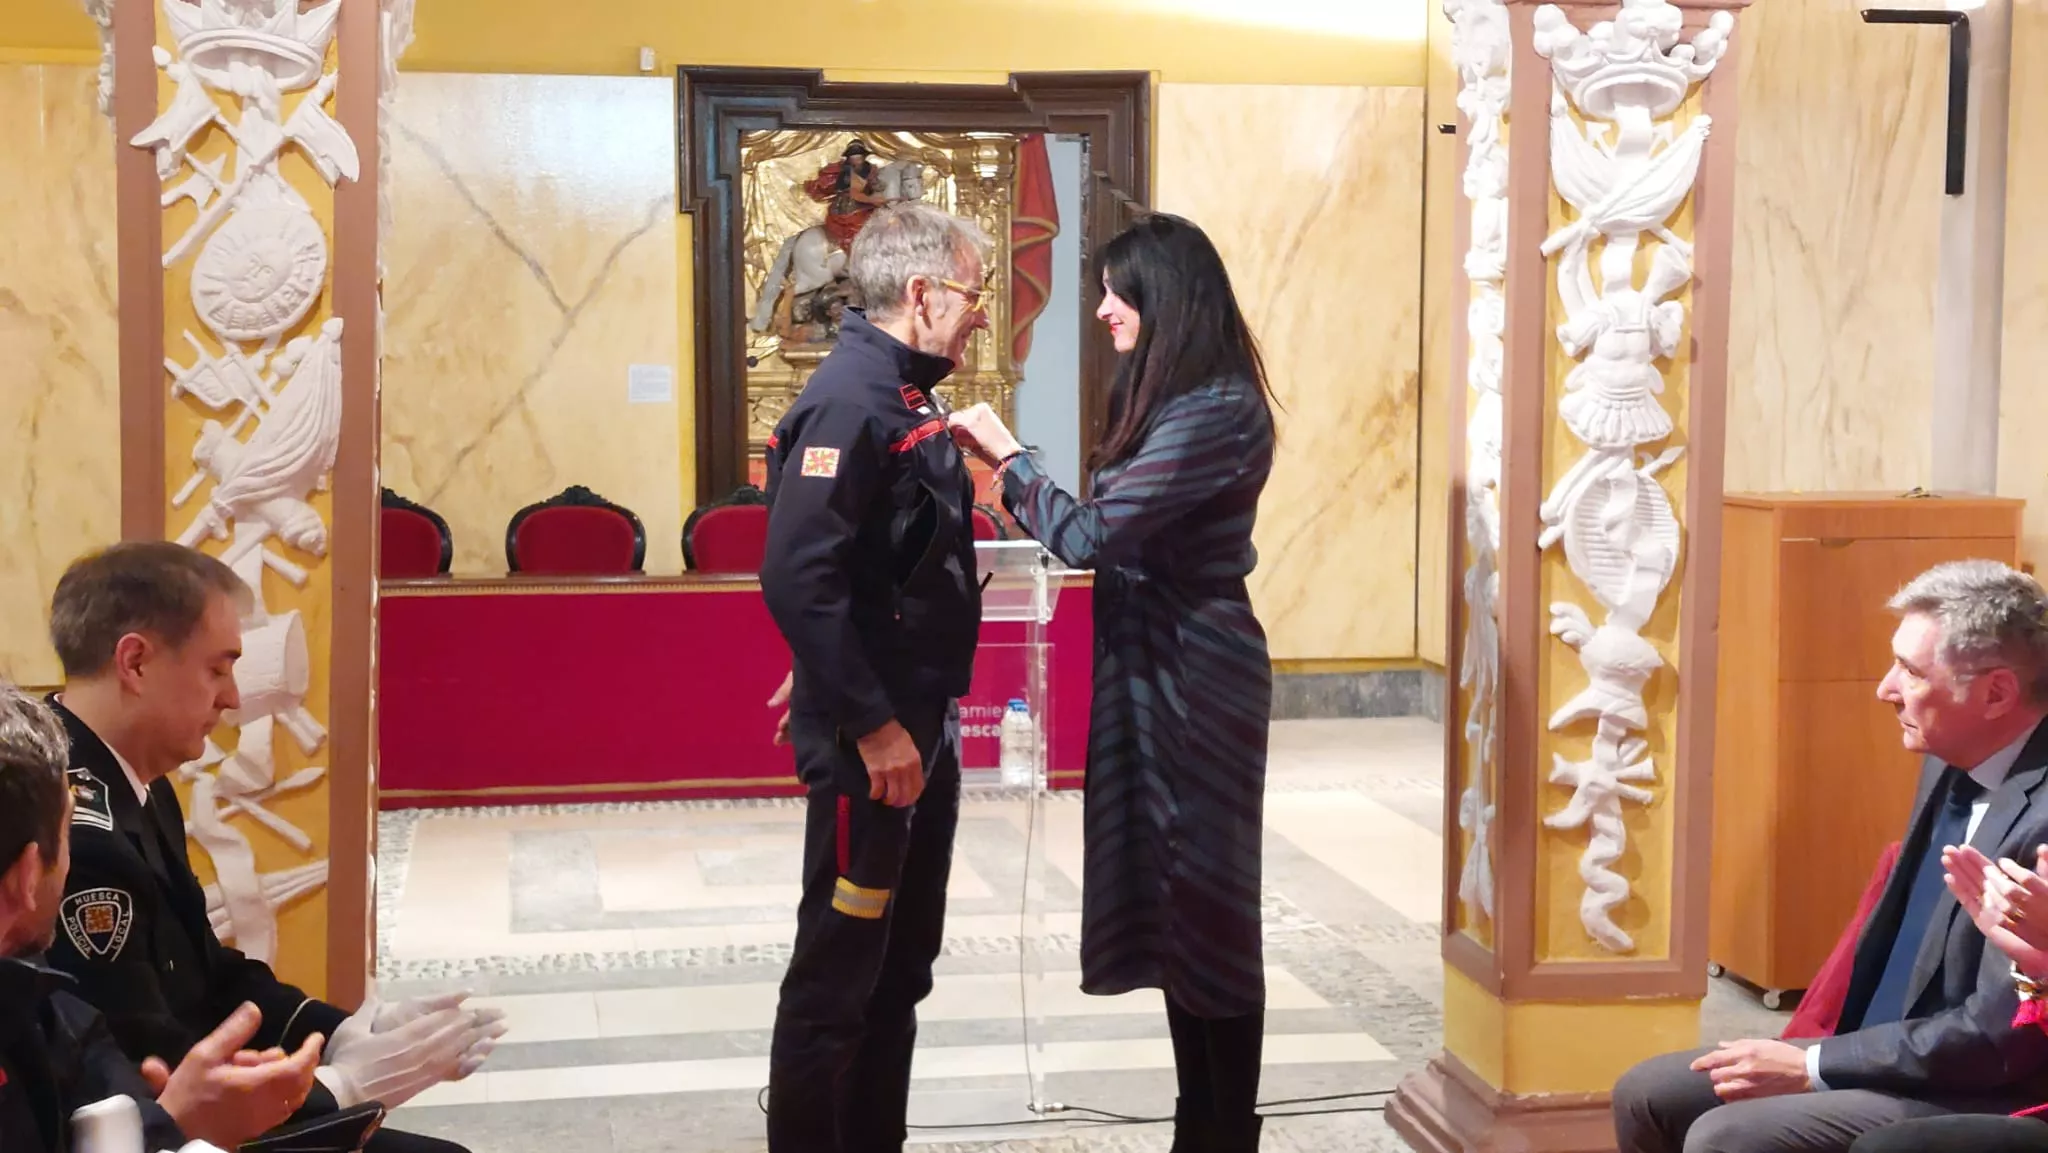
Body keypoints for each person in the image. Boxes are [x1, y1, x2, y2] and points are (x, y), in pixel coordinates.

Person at [945, 212, 1278, 1152]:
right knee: (1171, 906)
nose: (1099, 310)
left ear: (1162, 298)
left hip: (1197, 673)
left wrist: (1007, 459)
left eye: (1114, 292)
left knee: (1209, 904)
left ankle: (1225, 1130)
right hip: (1148, 661)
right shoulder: (1174, 398)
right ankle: (1197, 1123)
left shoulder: (1217, 407)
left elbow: (1091, 535)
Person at [41, 541, 507, 1153]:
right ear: (135, 662)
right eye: (218, 667)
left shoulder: (134, 784)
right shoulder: (80, 834)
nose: (232, 697)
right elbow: (147, 1054)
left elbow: (209, 972)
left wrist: (341, 1032)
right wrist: (335, 1086)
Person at [1610, 559, 2048, 1153]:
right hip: (1895, 1041)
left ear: (1996, 692)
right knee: (1649, 1092)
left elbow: (2000, 1036)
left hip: (1982, 1086)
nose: (1884, 688)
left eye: (1910, 672)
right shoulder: (1950, 748)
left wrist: (1814, 1064)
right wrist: (1828, 1052)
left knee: (1728, 1137)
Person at [758, 200, 990, 1153]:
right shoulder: (852, 398)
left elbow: (864, 563)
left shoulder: (904, 393)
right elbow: (795, 570)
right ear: (923, 292)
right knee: (840, 972)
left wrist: (839, 663)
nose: (983, 315)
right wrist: (866, 716)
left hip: (913, 721)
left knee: (897, 967)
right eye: (975, 295)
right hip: (878, 746)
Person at [0, 680, 330, 1153]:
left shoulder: (42, 1001)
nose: (233, 696)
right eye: (215, 669)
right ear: (28, 874)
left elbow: (105, 1077)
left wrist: (163, 1122)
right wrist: (177, 1123)